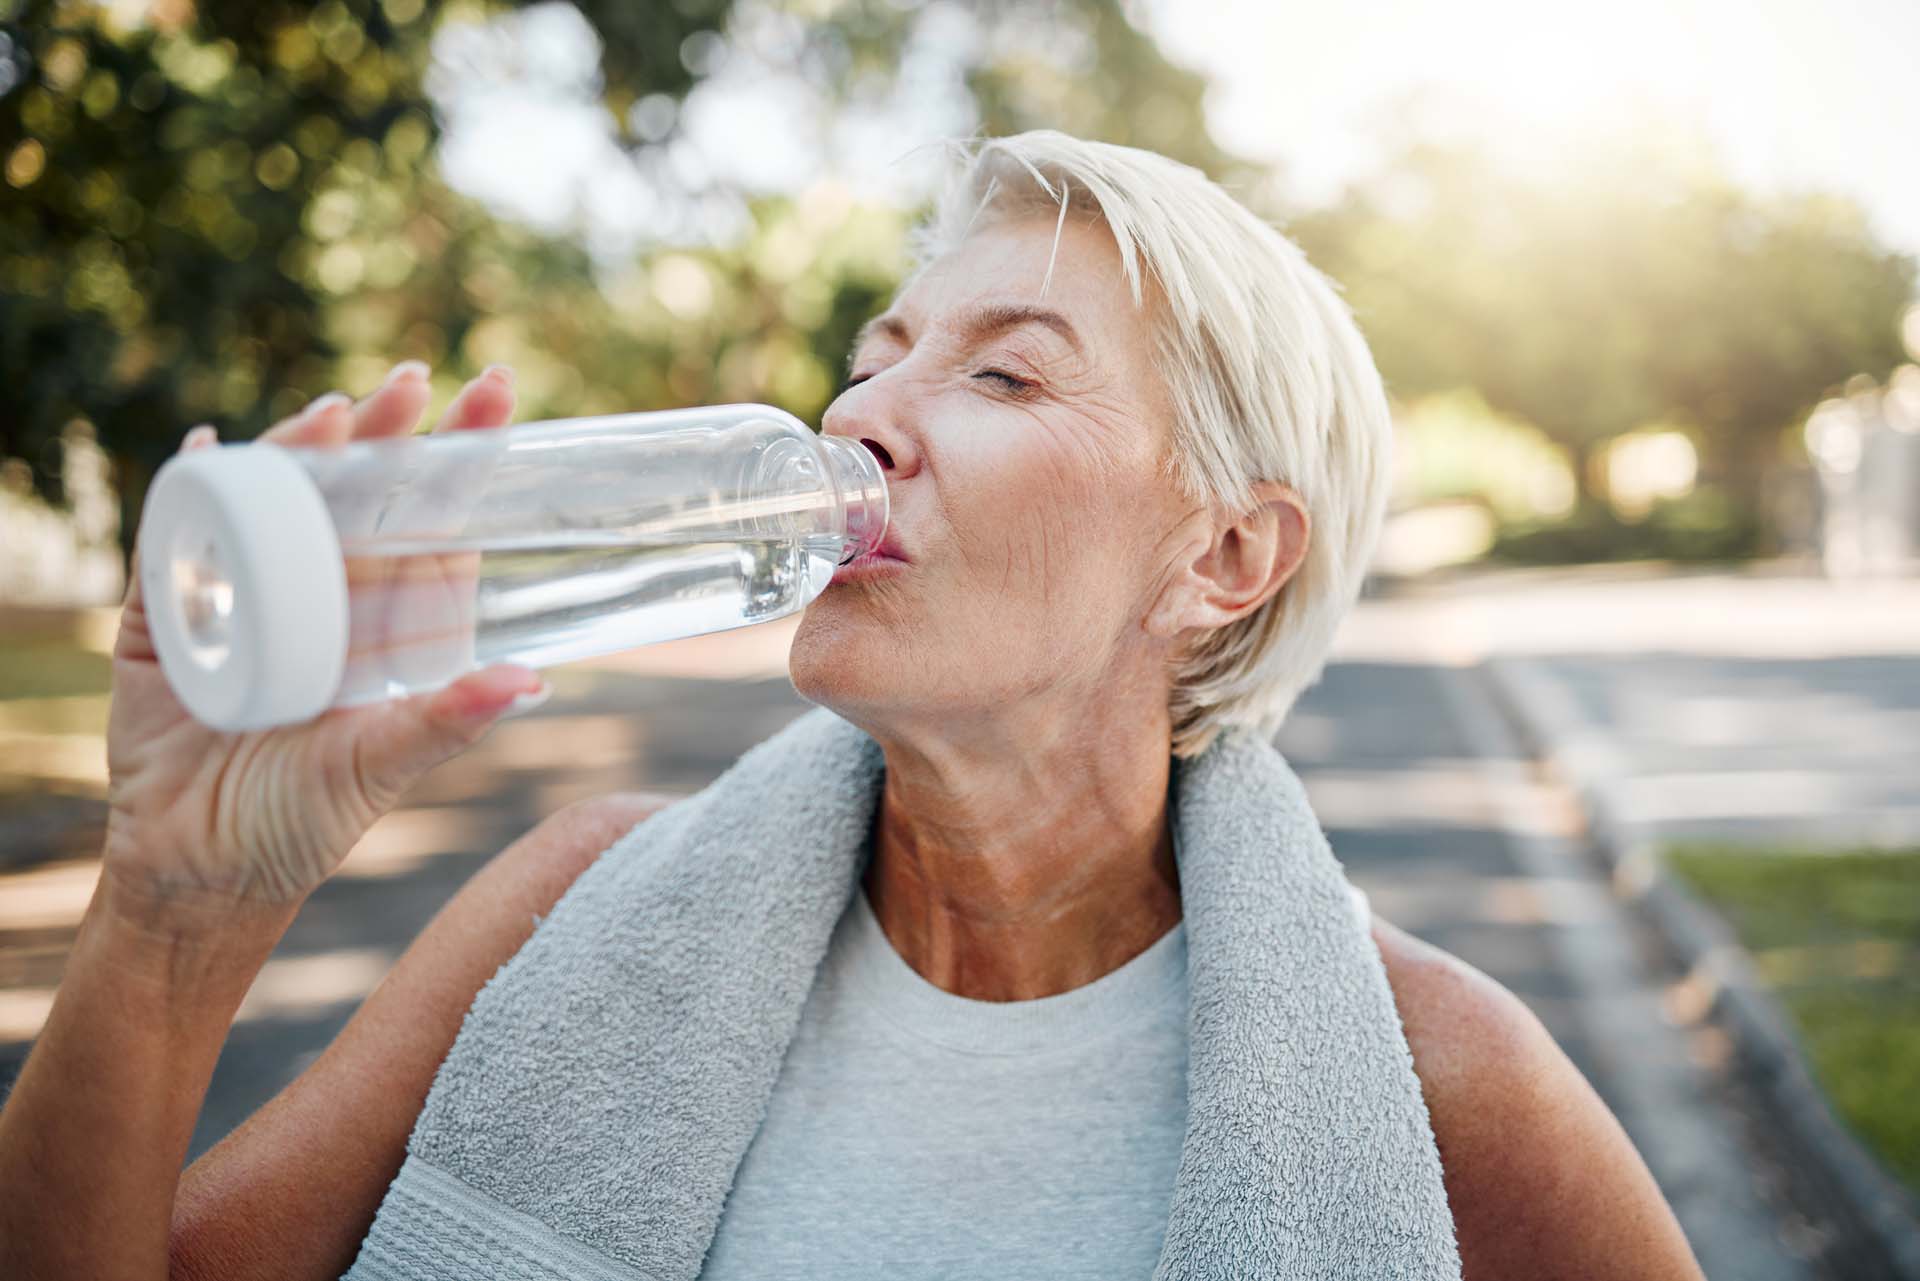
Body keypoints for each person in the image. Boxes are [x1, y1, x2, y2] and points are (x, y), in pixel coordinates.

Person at [0, 131, 1706, 1280]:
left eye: (1003, 370)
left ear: (1227, 555)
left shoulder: (1449, 1083)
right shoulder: (572, 904)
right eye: (883, 349)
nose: (863, 410)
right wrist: (173, 903)